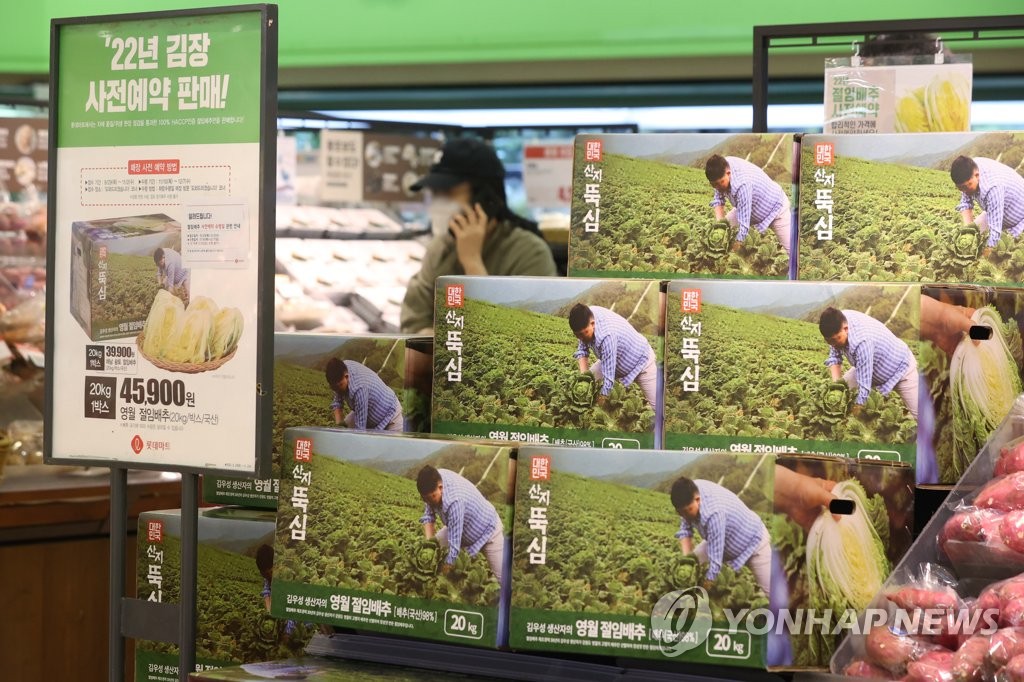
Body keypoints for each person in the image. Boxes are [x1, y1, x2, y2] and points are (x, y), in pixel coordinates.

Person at [401, 138, 558, 335]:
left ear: (485, 198)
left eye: (447, 193)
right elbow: (413, 323)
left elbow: (528, 337)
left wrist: (472, 262)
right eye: (434, 193)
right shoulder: (440, 248)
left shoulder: (529, 252)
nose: (437, 204)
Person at [670, 476, 772, 596]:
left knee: (771, 593)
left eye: (688, 510)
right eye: (681, 512)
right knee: (695, 560)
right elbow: (686, 530)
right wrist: (687, 562)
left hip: (754, 543)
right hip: (723, 541)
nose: (685, 515)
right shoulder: (687, 493)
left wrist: (702, 592)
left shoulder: (714, 514)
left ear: (697, 500)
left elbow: (715, 566)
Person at [819, 307, 918, 420]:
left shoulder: (862, 342)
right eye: (829, 341)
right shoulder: (836, 322)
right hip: (869, 366)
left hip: (901, 369)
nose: (833, 345)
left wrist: (854, 416)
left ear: (845, 329)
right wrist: (836, 387)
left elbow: (864, 389)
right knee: (843, 389)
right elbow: (835, 357)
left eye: (835, 340)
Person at [417, 465, 504, 582]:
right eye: (425, 499)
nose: (428, 502)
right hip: (461, 528)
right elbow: (428, 516)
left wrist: (442, 578)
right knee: (435, 545)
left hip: (489, 531)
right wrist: (430, 546)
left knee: (503, 579)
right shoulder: (432, 481)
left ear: (440, 487)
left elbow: (454, 550)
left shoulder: (454, 502)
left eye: (431, 498)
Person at [568, 303, 658, 409]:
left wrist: (598, 408)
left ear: (592, 324)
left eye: (583, 333)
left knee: (657, 407)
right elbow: (582, 350)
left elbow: (608, 381)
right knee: (590, 381)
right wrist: (584, 379)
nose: (581, 338)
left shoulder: (607, 336)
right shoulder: (585, 317)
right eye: (577, 335)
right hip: (613, 360)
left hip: (641, 362)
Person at [704, 154, 792, 257]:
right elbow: (718, 200)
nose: (717, 187)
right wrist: (720, 226)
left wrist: (733, 252)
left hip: (776, 208)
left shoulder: (742, 185)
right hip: (748, 208)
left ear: (728, 173)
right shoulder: (719, 168)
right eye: (714, 184)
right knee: (725, 229)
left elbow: (743, 228)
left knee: (792, 251)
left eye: (720, 183)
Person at [950, 156, 1024, 258]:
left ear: (977, 175)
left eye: (966, 186)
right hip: (994, 211)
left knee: (1010, 254)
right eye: (960, 188)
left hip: (1019, 220)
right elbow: (965, 203)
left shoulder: (993, 187)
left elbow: (995, 233)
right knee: (975, 230)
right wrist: (969, 231)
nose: (964, 191)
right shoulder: (969, 169)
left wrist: (983, 259)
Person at [324, 358, 403, 432]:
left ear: (346, 377)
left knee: (388, 445)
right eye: (334, 387)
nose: (337, 390)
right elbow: (337, 403)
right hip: (369, 412)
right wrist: (339, 426)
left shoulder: (359, 389)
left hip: (391, 416)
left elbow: (360, 430)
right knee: (344, 430)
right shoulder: (340, 370)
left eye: (340, 385)